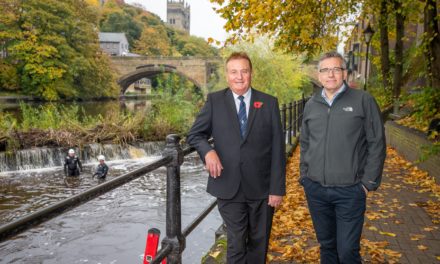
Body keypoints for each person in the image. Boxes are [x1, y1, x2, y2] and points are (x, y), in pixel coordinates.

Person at [187, 52, 286, 264]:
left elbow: (278, 147)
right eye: (234, 72)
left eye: (244, 71)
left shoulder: (268, 103)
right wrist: (208, 152)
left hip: (262, 187)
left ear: (251, 73)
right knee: (237, 241)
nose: (239, 77)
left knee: (259, 243)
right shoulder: (215, 101)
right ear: (226, 75)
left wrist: (277, 189)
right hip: (228, 184)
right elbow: (195, 134)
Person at [300, 51, 386, 263]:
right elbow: (305, 142)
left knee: (347, 250)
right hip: (316, 190)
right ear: (319, 75)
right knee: (327, 246)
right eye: (325, 70)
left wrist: (368, 183)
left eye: (336, 69)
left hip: (350, 190)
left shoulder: (363, 100)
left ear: (344, 73)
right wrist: (305, 176)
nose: (331, 74)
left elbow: (377, 143)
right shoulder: (311, 104)